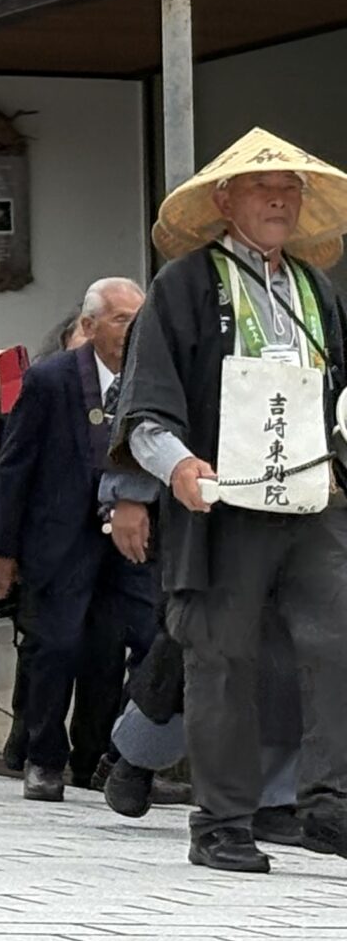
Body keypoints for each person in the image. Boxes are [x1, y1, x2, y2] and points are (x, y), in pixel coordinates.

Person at [112, 128, 347, 873]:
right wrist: (177, 467)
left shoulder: (316, 290)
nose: (278, 201)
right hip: (222, 503)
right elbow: (146, 406)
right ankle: (221, 822)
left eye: (289, 190)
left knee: (335, 641)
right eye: (261, 188)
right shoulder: (183, 285)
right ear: (224, 200)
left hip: (311, 501)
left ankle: (328, 804)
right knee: (221, 657)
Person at [0, 276, 154, 804]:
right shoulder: (50, 378)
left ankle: (121, 757)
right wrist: (3, 549)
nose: (132, 330)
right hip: (60, 539)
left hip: (133, 541)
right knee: (54, 647)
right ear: (89, 325)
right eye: (121, 319)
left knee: (149, 642)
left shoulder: (153, 377)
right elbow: (14, 467)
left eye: (139, 320)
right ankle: (44, 758)